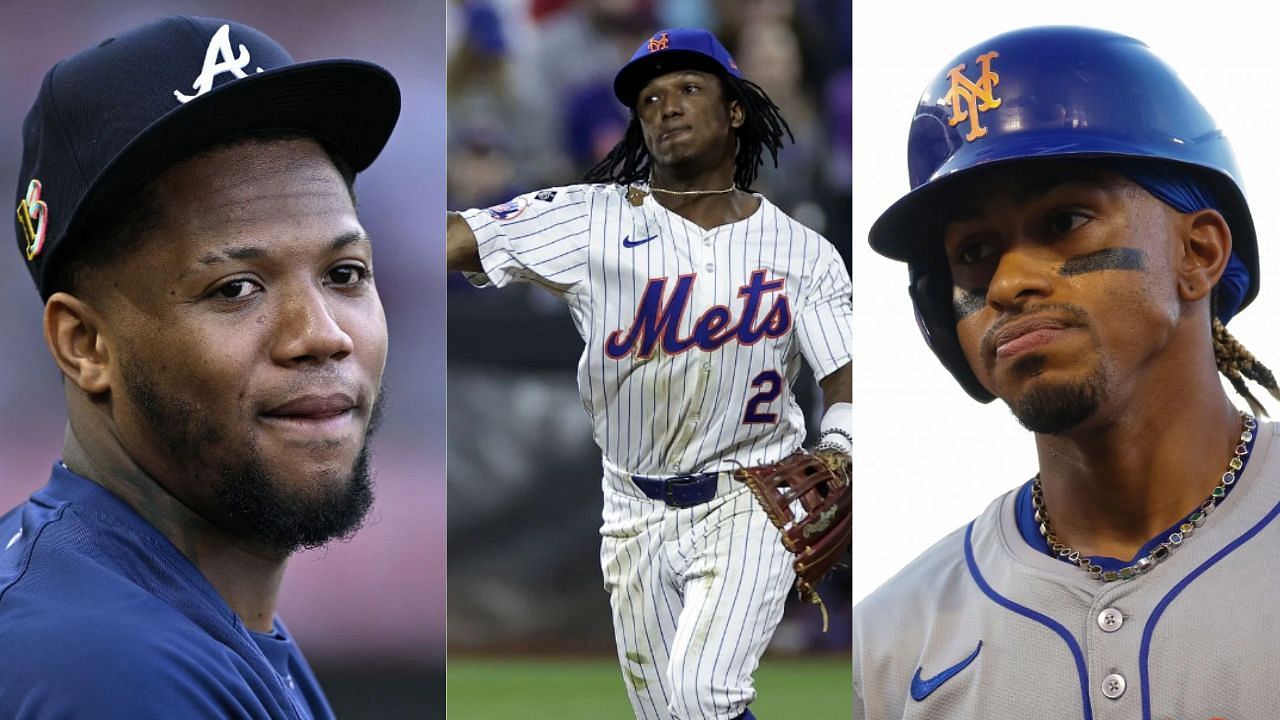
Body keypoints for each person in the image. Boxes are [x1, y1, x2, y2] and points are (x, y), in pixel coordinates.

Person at [857, 26, 1280, 718]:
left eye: (1065, 220)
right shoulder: (889, 650)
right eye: (974, 251)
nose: (1008, 283)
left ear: (1199, 253)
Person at [446, 27, 852, 720]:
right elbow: (463, 237)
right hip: (631, 509)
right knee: (671, 714)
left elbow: (844, 370)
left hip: (750, 497)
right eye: (650, 98)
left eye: (689, 88)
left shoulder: (801, 251)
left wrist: (842, 445)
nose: (665, 106)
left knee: (702, 694)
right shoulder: (589, 219)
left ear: (734, 111)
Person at [1, 16, 399, 718]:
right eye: (236, 288)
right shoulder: (102, 665)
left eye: (345, 273)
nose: (323, 335)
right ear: (85, 344)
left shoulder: (172, 615)